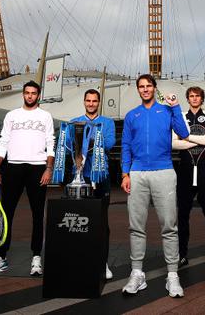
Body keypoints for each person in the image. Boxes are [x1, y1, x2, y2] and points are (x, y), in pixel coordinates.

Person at [120, 74, 189, 298]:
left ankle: (172, 276)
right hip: (137, 173)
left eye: (149, 86)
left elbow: (185, 133)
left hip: (164, 171)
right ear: (138, 90)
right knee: (136, 226)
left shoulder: (167, 110)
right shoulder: (132, 115)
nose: (145, 89)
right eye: (142, 86)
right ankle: (137, 274)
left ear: (154, 88)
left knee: (169, 226)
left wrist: (176, 106)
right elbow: (126, 146)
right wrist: (125, 173)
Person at [0, 80, 54, 277]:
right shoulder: (12, 116)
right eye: (27, 93)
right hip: (13, 167)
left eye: (33, 93)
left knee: (38, 213)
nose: (30, 96)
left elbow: (51, 143)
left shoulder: (45, 116)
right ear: (23, 94)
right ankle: (1, 257)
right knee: (6, 214)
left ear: (38, 95)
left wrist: (48, 169)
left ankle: (36, 258)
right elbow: (3, 143)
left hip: (38, 168)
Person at [171, 86, 205, 272]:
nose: (194, 99)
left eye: (197, 96)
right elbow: (173, 143)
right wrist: (199, 139)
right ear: (188, 98)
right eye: (191, 96)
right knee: (183, 215)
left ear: (202, 98)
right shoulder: (181, 116)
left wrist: (187, 138)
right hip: (185, 170)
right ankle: (182, 255)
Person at [67, 89, 116, 279]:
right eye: (88, 100)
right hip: (79, 175)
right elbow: (69, 144)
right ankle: (81, 259)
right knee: (79, 220)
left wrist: (88, 139)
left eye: (94, 101)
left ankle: (102, 262)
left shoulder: (107, 123)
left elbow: (110, 143)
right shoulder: (74, 122)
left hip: (100, 176)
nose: (91, 104)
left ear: (99, 102)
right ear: (84, 102)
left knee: (102, 221)